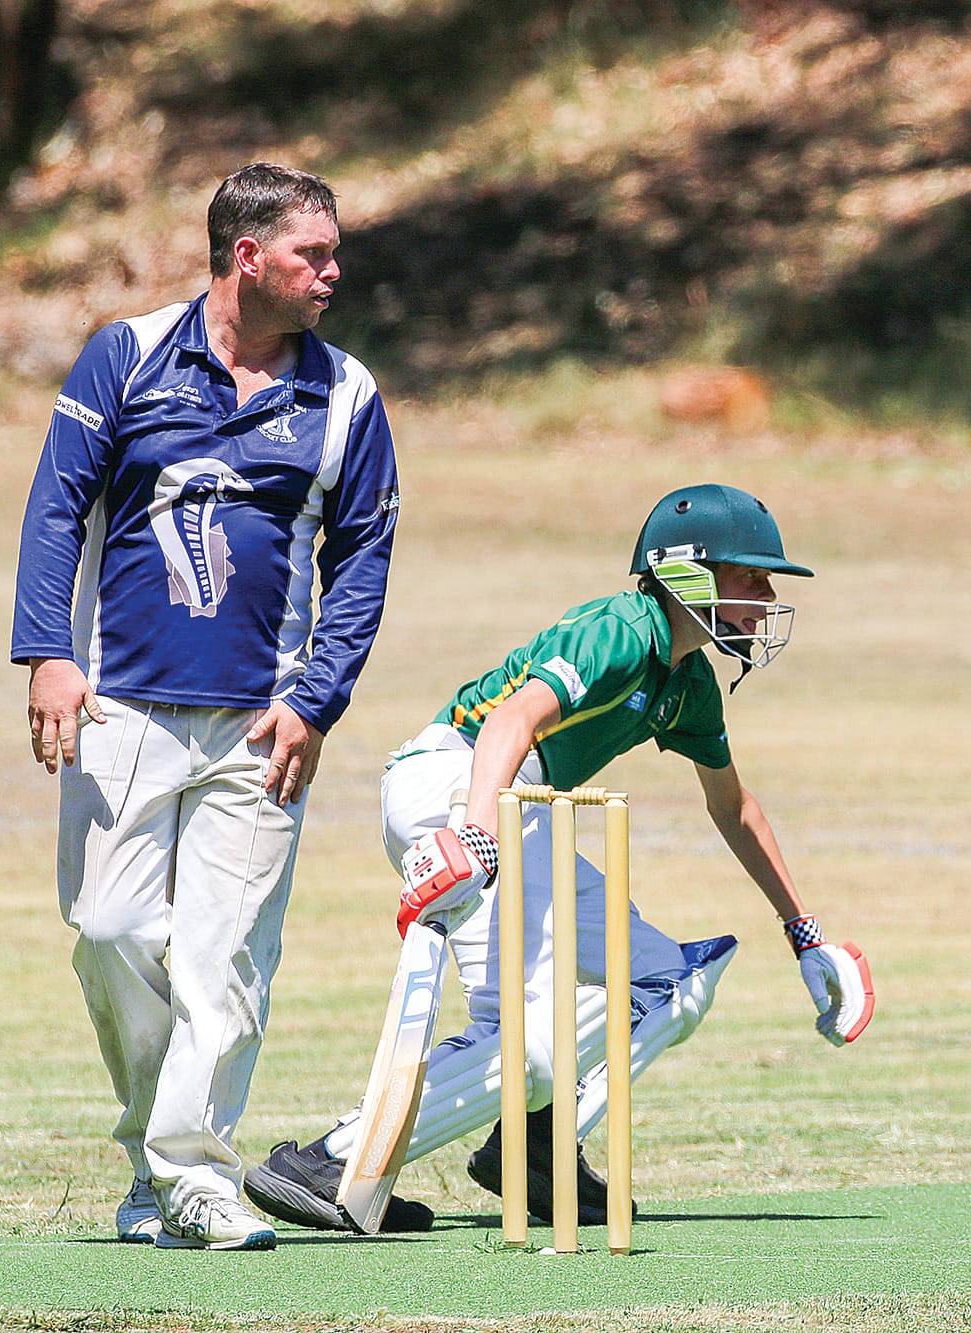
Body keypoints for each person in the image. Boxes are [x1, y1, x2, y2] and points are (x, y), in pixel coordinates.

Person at [243, 483, 870, 1235]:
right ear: (688, 571)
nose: (766, 601)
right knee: (529, 1041)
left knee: (674, 979)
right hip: (462, 781)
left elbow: (734, 808)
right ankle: (329, 1164)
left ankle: (536, 1147)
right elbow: (510, 722)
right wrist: (478, 834)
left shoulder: (689, 683)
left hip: (519, 806)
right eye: (752, 579)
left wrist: (805, 934)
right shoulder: (620, 629)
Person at [10, 163, 401, 1252]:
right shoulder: (126, 356)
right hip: (119, 708)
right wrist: (46, 653)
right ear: (247, 256)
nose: (333, 272)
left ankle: (192, 1176)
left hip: (262, 725)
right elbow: (56, 508)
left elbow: (363, 558)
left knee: (223, 961)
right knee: (111, 932)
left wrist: (317, 699)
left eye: (333, 253)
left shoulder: (346, 393)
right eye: (313, 254)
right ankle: (153, 1157)